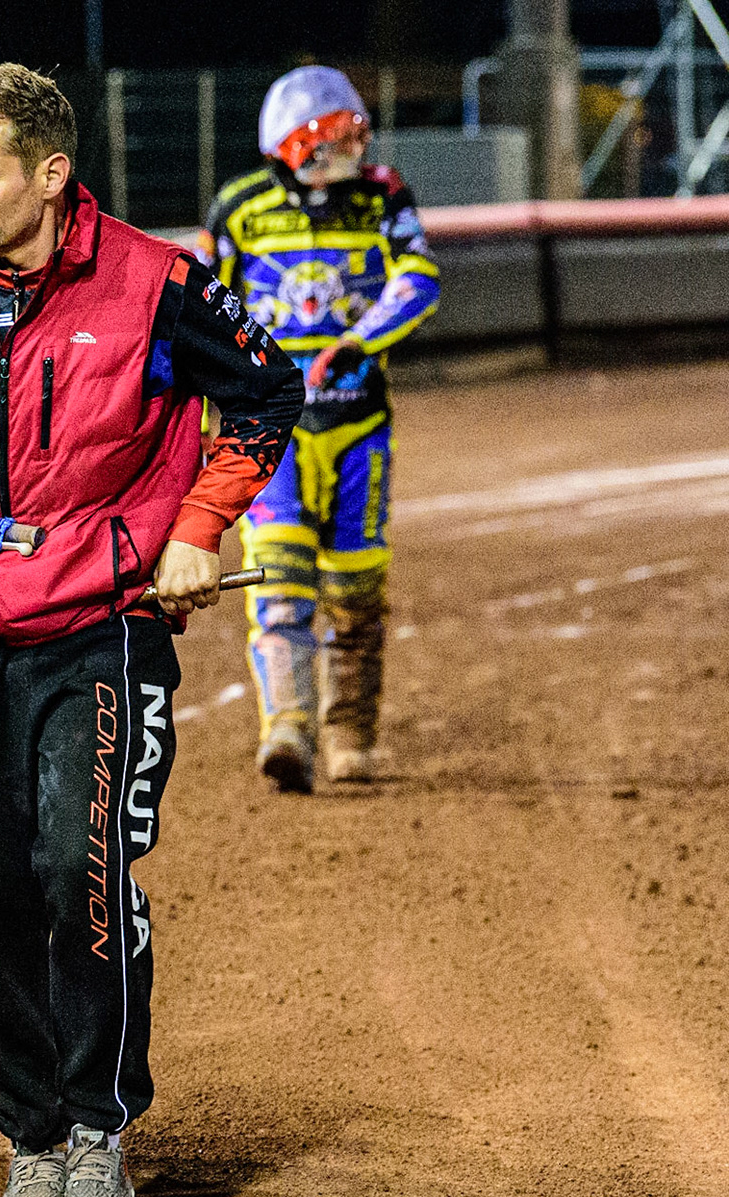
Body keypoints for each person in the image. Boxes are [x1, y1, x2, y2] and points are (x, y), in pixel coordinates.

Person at [0, 63, 303, 1197]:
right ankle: (33, 1134)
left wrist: (197, 530)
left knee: (76, 871)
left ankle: (98, 1130)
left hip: (101, 631)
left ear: (51, 175)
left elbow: (265, 394)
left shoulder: (154, 285)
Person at [196, 66, 440, 791]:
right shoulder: (238, 209)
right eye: (338, 136)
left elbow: (419, 277)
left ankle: (350, 733)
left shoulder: (383, 196)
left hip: (359, 425)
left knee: (357, 586)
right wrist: (208, 405)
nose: (356, 148)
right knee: (278, 579)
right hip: (269, 435)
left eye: (356, 134)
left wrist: (361, 341)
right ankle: (288, 729)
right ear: (297, 144)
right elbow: (201, 310)